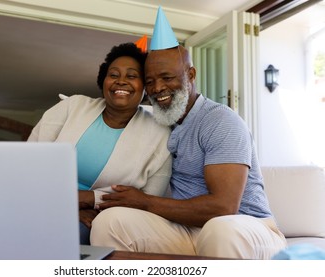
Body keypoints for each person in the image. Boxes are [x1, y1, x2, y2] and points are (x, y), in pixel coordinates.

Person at [89, 7, 287, 259]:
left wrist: (145, 202)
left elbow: (224, 207)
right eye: (150, 81)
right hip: (188, 231)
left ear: (190, 75)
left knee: (220, 229)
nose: (158, 88)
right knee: (110, 221)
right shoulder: (158, 122)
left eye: (167, 77)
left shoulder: (220, 120)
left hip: (247, 228)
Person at [28, 42, 172, 245]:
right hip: (41, 202)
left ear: (146, 86)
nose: (121, 81)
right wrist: (68, 206)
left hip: (103, 220)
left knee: (68, 236)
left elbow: (147, 201)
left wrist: (90, 200)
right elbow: (29, 163)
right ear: (103, 80)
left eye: (131, 76)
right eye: (114, 75)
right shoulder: (73, 107)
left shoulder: (160, 135)